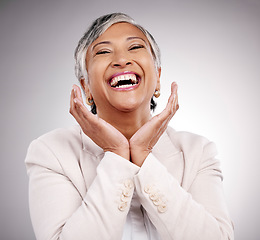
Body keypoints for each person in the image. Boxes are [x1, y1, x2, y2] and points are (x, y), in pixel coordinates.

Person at [25, 13, 234, 240]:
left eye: (135, 47)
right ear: (86, 87)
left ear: (158, 78)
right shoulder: (51, 152)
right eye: (103, 51)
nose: (121, 60)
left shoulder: (198, 151)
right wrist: (117, 156)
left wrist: (143, 157)